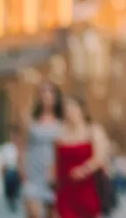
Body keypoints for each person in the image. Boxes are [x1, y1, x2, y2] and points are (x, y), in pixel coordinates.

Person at [53, 96, 104, 218]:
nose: (68, 111)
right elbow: (56, 161)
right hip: (65, 190)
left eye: (72, 108)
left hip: (87, 188)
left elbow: (100, 157)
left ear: (81, 110)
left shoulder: (93, 130)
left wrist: (84, 169)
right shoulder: (60, 134)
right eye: (66, 109)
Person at [22, 81, 64, 218]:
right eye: (42, 92)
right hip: (33, 176)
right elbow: (22, 146)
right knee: (33, 213)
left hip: (54, 176)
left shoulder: (63, 121)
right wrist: (22, 172)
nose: (46, 96)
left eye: (50, 92)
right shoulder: (30, 119)